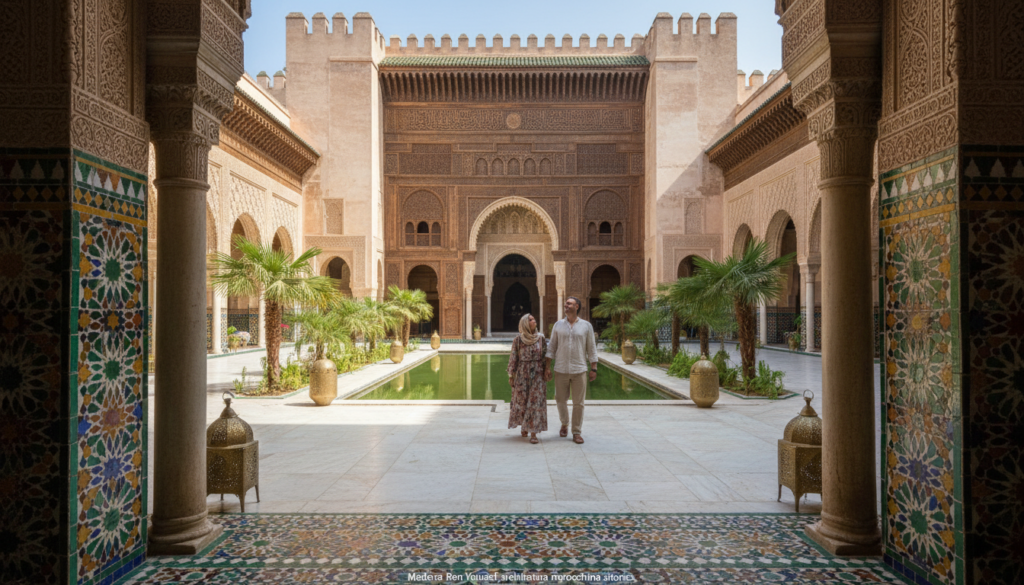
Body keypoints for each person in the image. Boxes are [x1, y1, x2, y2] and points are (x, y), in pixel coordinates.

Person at [544, 296, 597, 444]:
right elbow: (552, 347)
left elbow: (591, 348)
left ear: (577, 307)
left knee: (578, 403)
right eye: (566, 303)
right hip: (561, 369)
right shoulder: (558, 325)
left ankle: (576, 431)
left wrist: (594, 368)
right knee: (560, 400)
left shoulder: (586, 326)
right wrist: (547, 367)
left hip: (579, 369)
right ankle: (564, 422)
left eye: (569, 304)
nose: (566, 305)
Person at [507, 313, 547, 444]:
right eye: (530, 320)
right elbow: (514, 358)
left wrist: (547, 370)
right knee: (522, 401)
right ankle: (524, 426)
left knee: (535, 402)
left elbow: (545, 356)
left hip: (537, 374)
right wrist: (511, 375)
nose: (534, 321)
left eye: (534, 319)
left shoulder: (541, 339)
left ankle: (533, 432)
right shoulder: (518, 340)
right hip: (522, 374)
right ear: (524, 323)